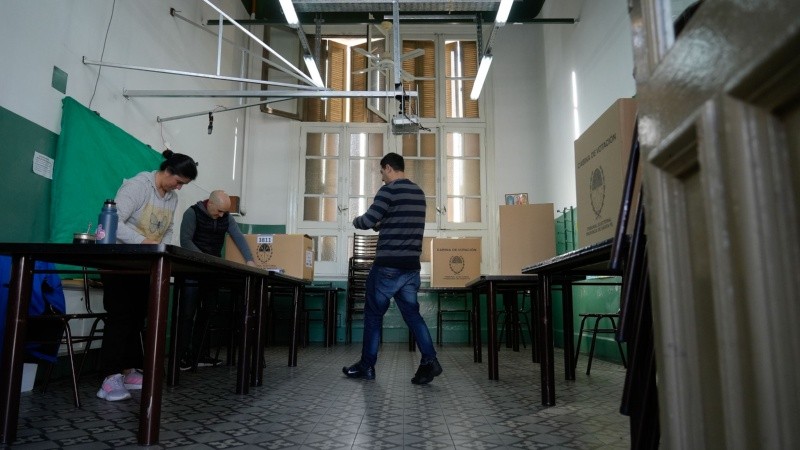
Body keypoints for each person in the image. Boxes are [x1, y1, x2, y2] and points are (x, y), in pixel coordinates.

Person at [97, 150, 198, 402]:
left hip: (144, 264)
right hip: (119, 261)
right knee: (120, 316)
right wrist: (144, 242)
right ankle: (109, 378)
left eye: (183, 185)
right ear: (168, 171)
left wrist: (158, 252)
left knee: (136, 318)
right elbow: (114, 222)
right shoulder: (137, 186)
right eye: (179, 182)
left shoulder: (172, 198)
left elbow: (168, 228)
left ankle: (129, 370)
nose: (179, 188)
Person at [342, 152, 442, 385]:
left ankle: (367, 366)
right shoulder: (418, 193)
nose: (381, 178)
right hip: (411, 268)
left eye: (381, 172)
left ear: (388, 168)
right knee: (413, 315)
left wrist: (355, 220)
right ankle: (430, 360)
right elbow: (400, 221)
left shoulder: (388, 190)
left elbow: (367, 221)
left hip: (388, 267)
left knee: (374, 315)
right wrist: (382, 223)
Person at [178, 190, 255, 370]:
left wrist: (249, 259)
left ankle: (200, 355)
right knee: (187, 314)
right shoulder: (192, 213)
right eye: (219, 211)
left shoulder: (226, 217)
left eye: (224, 212)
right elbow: (185, 241)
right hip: (192, 270)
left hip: (212, 272)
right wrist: (205, 259)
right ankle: (181, 356)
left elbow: (238, 238)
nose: (221, 215)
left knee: (208, 312)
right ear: (210, 203)